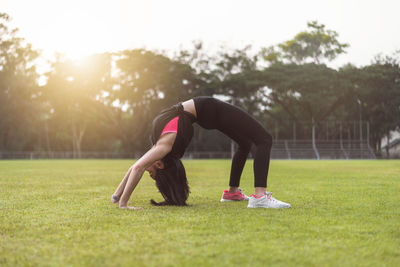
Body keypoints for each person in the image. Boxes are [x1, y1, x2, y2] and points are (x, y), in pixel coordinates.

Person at [111, 96, 291, 209]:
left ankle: (232, 193)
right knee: (264, 139)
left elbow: (135, 167)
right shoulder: (162, 148)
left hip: (208, 112)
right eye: (150, 173)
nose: (146, 170)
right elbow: (137, 167)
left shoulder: (161, 147)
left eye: (150, 173)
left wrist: (118, 198)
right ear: (159, 164)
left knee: (245, 143)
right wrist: (123, 204)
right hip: (210, 111)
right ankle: (260, 196)